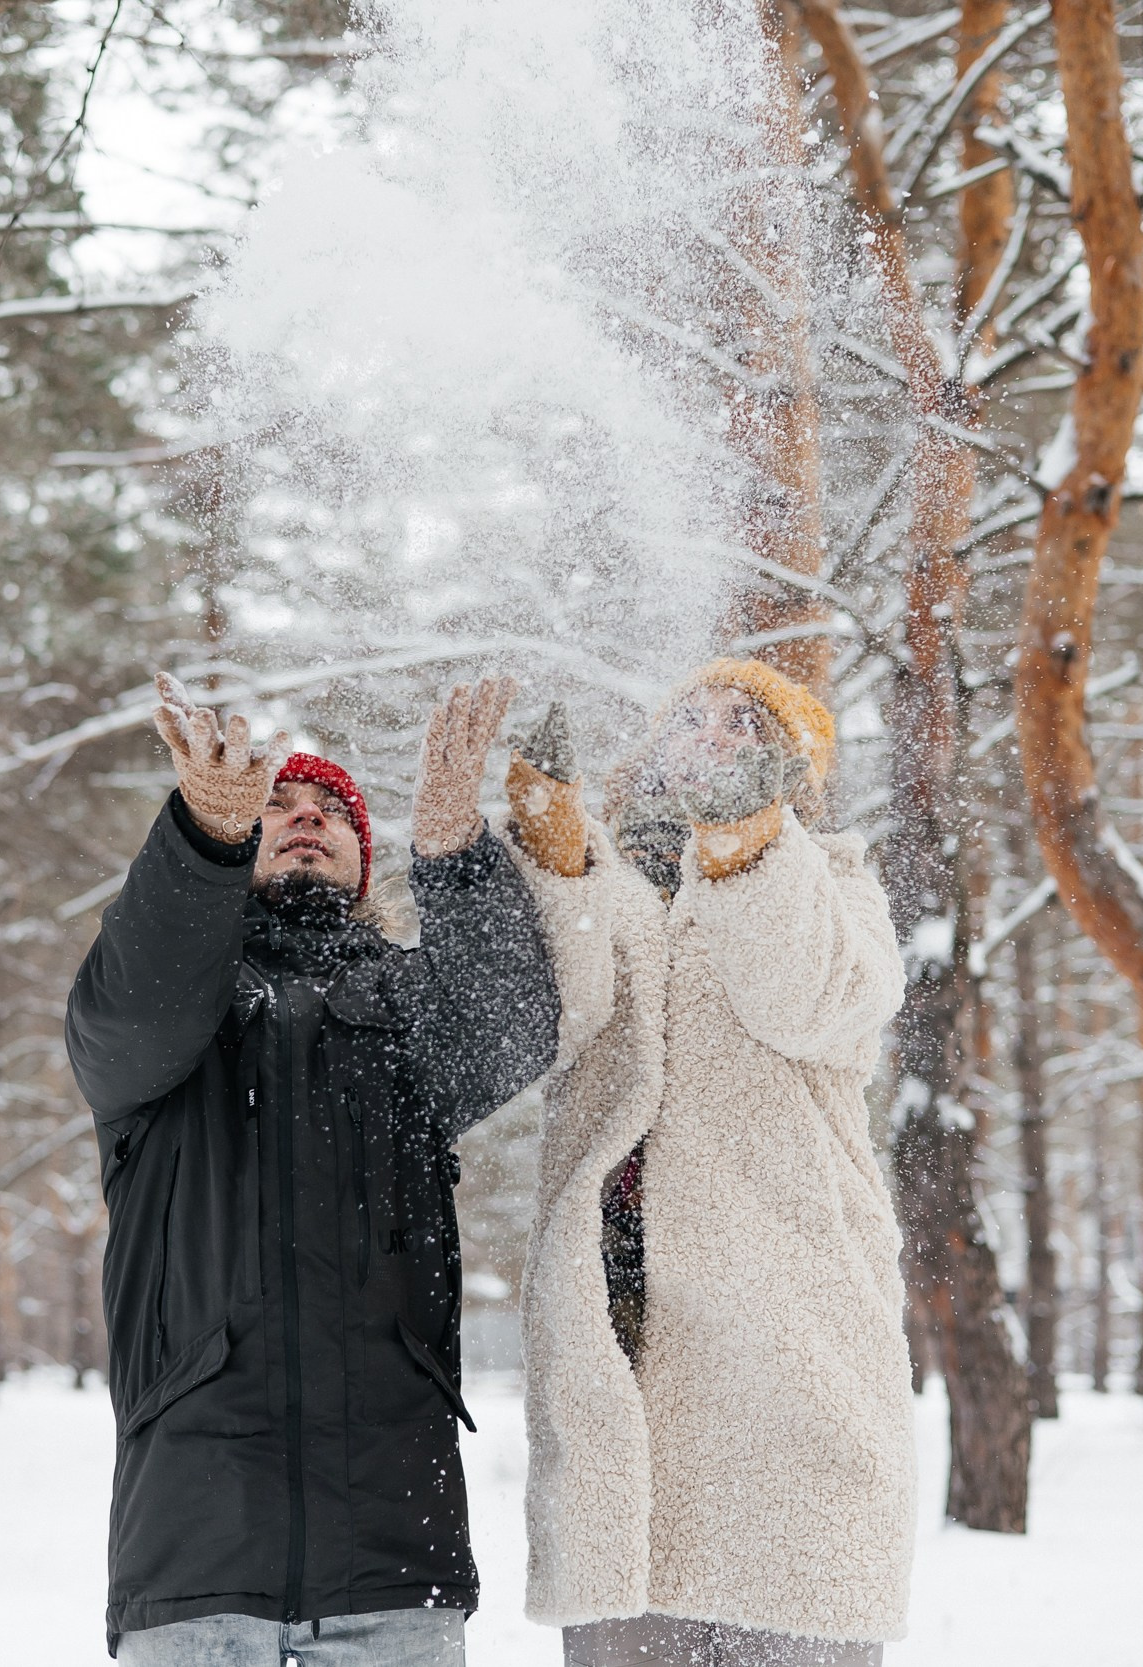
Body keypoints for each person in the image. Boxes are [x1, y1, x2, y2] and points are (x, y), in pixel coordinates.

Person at [66, 674, 559, 1666]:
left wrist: (455, 849)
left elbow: (511, 1024)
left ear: (366, 863)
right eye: (279, 804)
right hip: (196, 1555)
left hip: (393, 1557)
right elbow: (129, 1013)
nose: (306, 816)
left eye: (333, 809)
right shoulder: (171, 1017)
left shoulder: (408, 1012)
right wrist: (202, 837)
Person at [499, 659, 914, 1667]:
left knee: (792, 1596)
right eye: (695, 717)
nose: (715, 734)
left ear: (797, 776)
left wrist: (744, 842)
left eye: (748, 724)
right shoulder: (620, 893)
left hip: (790, 1369)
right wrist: (554, 856)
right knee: (627, 1603)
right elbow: (552, 1012)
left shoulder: (836, 886)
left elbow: (806, 998)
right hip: (624, 1353)